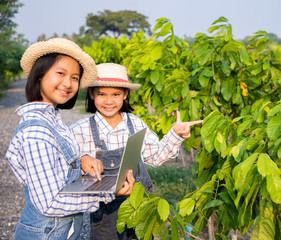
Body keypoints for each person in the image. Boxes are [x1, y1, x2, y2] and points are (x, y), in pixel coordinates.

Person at [5, 38, 135, 240]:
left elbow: (58, 159)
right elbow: (49, 203)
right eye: (61, 73)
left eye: (75, 78)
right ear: (40, 74)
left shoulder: (53, 120)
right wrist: (107, 194)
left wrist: (82, 158)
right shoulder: (36, 133)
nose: (68, 83)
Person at [71, 62, 203, 240]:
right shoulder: (80, 129)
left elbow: (155, 157)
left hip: (141, 206)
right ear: (92, 94)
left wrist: (175, 135)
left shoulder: (136, 124)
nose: (109, 101)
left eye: (116, 94)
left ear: (125, 94)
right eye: (102, 94)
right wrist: (81, 160)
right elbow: (70, 171)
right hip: (106, 213)